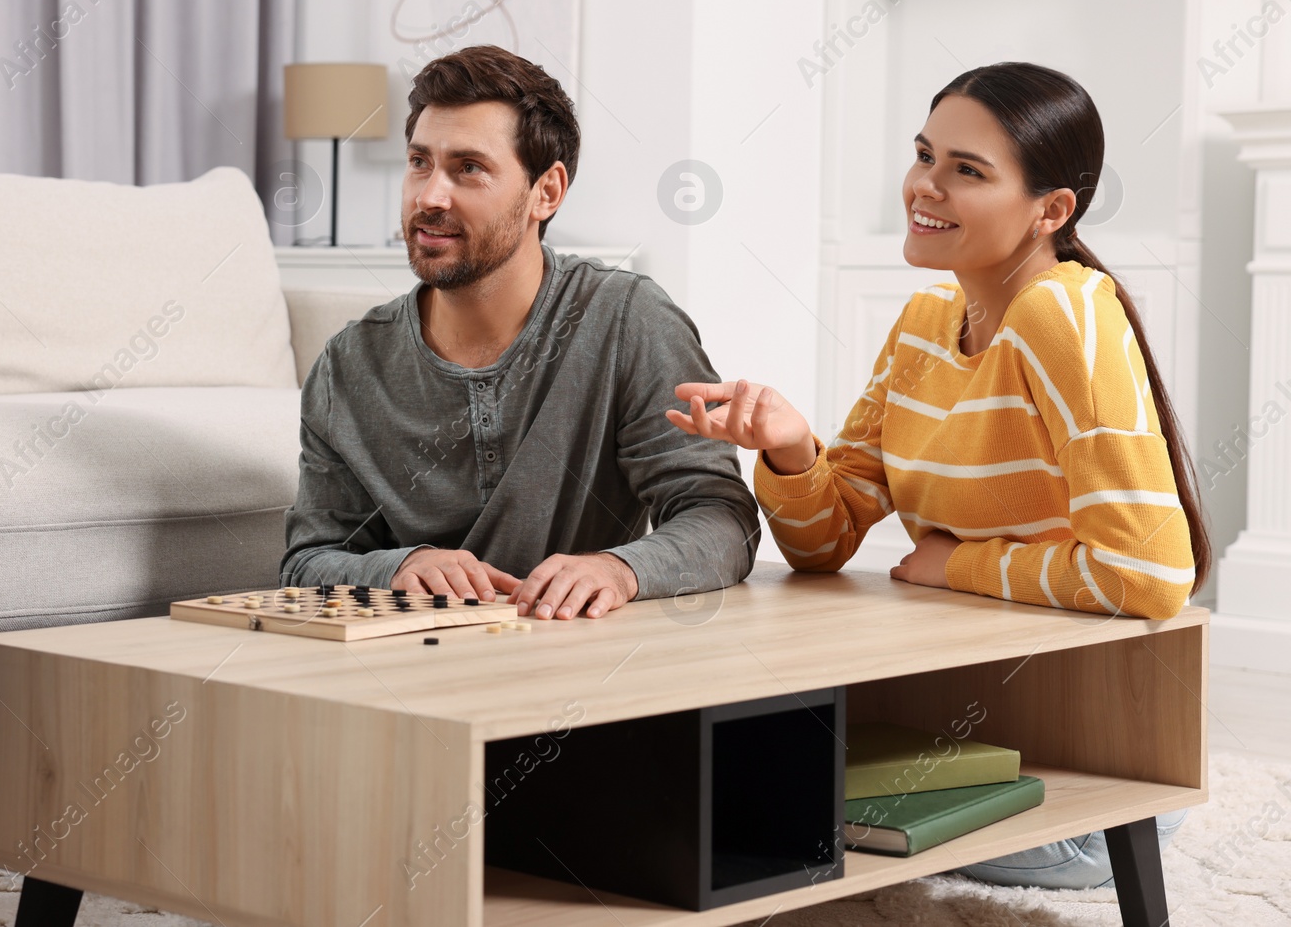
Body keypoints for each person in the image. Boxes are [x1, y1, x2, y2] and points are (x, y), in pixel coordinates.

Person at [670, 61, 1203, 887]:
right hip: (956, 714)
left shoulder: (1066, 311)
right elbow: (824, 543)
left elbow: (1149, 570)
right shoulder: (926, 322)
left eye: (967, 171)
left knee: (764, 815)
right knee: (732, 797)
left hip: (1084, 747)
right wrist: (790, 448)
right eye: (926, 155)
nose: (926, 185)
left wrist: (956, 564)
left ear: (1051, 211)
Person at [281, 44, 762, 620]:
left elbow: (720, 515)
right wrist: (400, 565)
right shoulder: (348, 364)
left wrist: (620, 569)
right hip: (407, 666)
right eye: (418, 162)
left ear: (547, 192)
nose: (430, 195)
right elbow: (308, 560)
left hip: (576, 660)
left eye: (469, 168)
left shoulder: (627, 320)